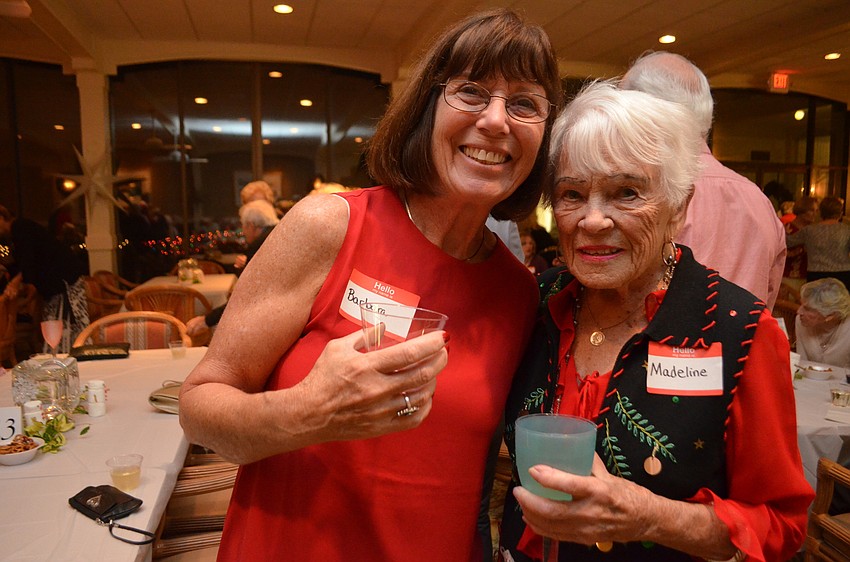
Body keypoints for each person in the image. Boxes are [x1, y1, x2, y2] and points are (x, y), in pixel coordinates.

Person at [178, 9, 563, 561]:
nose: (496, 120)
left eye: (524, 103)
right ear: (428, 106)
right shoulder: (330, 226)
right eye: (472, 92)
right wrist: (307, 412)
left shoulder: (518, 293)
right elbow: (198, 408)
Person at [499, 81, 812, 562]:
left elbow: (781, 524)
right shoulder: (534, 303)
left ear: (679, 206)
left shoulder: (738, 331)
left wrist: (651, 517)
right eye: (572, 194)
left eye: (626, 193)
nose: (593, 220)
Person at [620, 51, 786, 310]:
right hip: (743, 346)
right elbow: (769, 296)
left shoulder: (647, 196)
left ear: (641, 111)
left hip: (659, 346)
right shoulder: (759, 201)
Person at [185, 200, 279, 340]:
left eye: (243, 226)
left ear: (251, 226)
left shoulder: (259, 246)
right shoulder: (278, 235)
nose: (243, 231)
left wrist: (207, 320)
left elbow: (247, 295)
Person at [0, 205, 89, 352]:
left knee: (64, 325)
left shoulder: (20, 227)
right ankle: (65, 358)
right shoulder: (18, 232)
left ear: (2, 218)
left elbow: (29, 259)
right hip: (59, 283)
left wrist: (15, 283)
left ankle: (67, 358)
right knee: (58, 325)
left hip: (63, 282)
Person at [787, 196, 850, 290]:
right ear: (840, 213)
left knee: (815, 303)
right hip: (842, 274)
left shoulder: (809, 231)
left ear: (821, 212)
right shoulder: (847, 230)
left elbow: (788, 242)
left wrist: (783, 231)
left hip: (816, 274)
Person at [795, 278, 850, 368]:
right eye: (801, 304)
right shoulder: (801, 321)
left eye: (807, 309)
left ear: (830, 316)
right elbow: (801, 365)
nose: (799, 311)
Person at [783, 196, 819, 293]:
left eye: (816, 210)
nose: (815, 214)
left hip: (808, 277)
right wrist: (798, 251)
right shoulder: (788, 229)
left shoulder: (813, 230)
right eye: (811, 210)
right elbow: (780, 252)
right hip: (789, 277)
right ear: (802, 211)